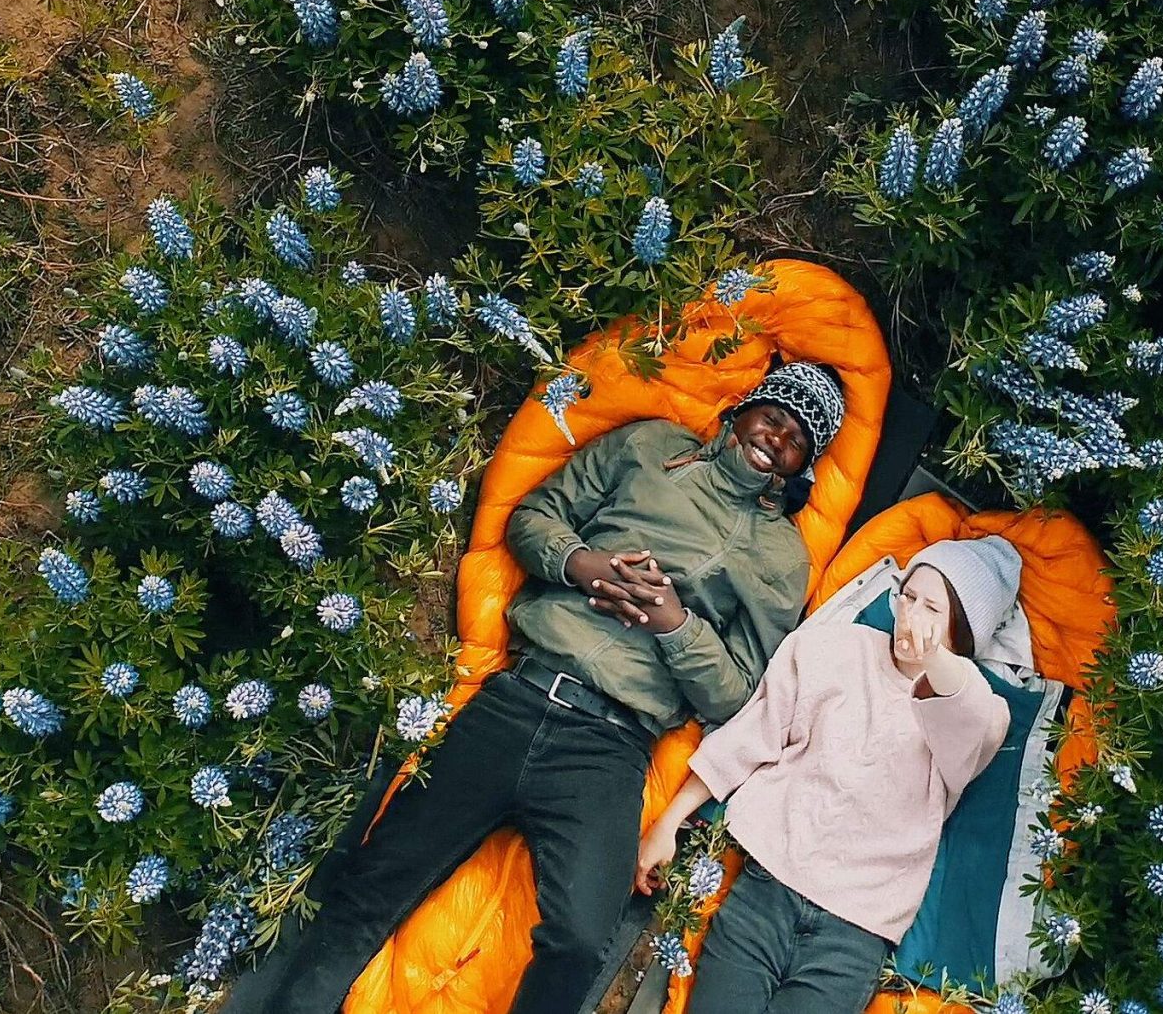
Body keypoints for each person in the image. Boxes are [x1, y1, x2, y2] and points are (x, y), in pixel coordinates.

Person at [220, 358, 852, 1014]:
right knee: (376, 878)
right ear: (743, 409)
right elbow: (533, 517)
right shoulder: (650, 444)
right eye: (774, 416)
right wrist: (586, 565)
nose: (776, 436)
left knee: (581, 941)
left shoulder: (781, 558)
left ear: (799, 467)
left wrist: (676, 624)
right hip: (517, 696)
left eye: (797, 438)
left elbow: (737, 697)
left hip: (608, 748)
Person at [636, 536, 1023, 1014]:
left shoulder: (976, 712)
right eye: (908, 597)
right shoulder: (833, 648)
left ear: (961, 634)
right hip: (769, 886)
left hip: (857, 927)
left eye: (932, 610)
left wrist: (936, 659)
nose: (912, 618)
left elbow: (970, 716)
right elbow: (749, 735)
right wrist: (669, 821)